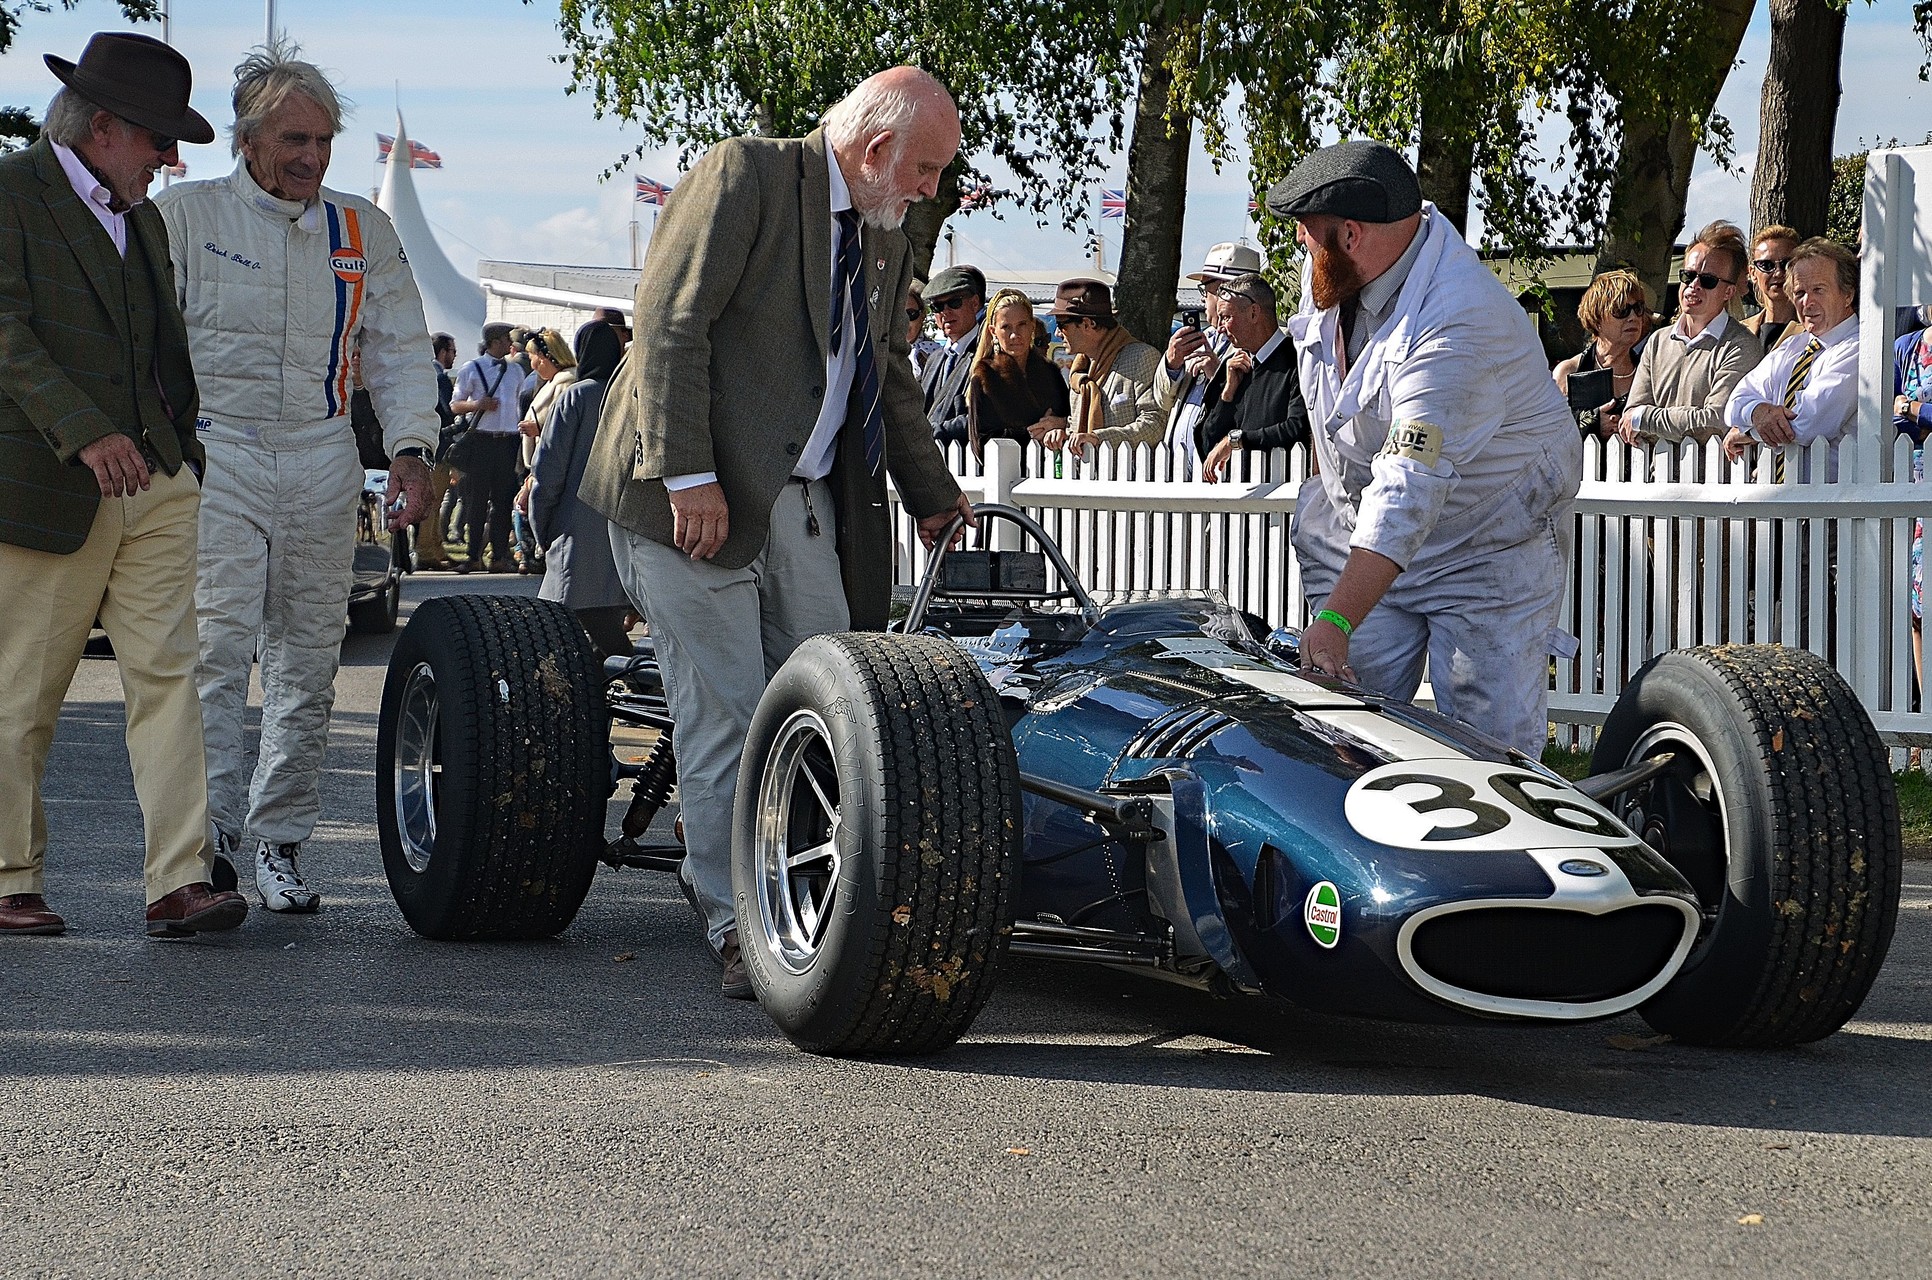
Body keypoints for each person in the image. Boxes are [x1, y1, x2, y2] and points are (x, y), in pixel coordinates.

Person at [577, 66, 974, 999]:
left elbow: (886, 369)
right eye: (925, 169)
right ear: (876, 148)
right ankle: (739, 926)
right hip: (689, 500)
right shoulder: (742, 175)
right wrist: (689, 476)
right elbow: (669, 323)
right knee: (728, 715)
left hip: (800, 504)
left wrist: (932, 492)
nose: (931, 190)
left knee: (830, 712)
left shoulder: (881, 229)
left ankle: (803, 908)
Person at [155, 41, 438, 913]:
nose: (311, 158)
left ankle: (279, 840)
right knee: (214, 653)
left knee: (309, 663)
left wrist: (412, 448)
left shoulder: (362, 228)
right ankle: (205, 845)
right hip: (217, 452)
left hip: (322, 456)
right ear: (246, 141)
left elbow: (400, 348)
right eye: (293, 140)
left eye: (322, 141)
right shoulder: (185, 215)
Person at [0, 32, 248, 938]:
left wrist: (180, 454)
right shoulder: (10, 191)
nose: (169, 159)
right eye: (157, 138)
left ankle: (180, 880)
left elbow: (160, 349)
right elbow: (6, 333)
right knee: (23, 691)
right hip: (47, 485)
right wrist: (85, 432)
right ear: (102, 126)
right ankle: (9, 877)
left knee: (170, 678)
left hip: (158, 483)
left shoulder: (143, 219)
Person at [1269, 139, 1581, 757]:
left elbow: (1408, 486)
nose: (1301, 242)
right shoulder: (1335, 272)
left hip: (1484, 547)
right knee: (1346, 731)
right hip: (1368, 536)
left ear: (1351, 235)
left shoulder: (1457, 321)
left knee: (1487, 752)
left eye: (1307, 230)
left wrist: (1335, 619)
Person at [527, 322, 634, 660]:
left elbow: (549, 471)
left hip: (575, 529)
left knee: (559, 633)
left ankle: (640, 682)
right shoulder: (630, 396)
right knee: (601, 629)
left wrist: (540, 527)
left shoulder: (575, 397)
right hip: (622, 530)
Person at [1723, 237, 1861, 481]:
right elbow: (1734, 403)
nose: (1807, 302)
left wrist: (1748, 433)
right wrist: (1758, 412)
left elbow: (1809, 423)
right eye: (1799, 293)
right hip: (1778, 498)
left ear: (1848, 294)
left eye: (1818, 290)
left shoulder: (1859, 348)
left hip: (1833, 499)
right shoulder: (1792, 346)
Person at [1617, 223, 1763, 447]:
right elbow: (1631, 421)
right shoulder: (1657, 342)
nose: (1694, 285)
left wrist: (1645, 419)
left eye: (1708, 280)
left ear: (1729, 291)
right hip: (1655, 468)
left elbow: (1716, 423)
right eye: (1688, 275)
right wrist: (1643, 420)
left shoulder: (1742, 346)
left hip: (1714, 469)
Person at [1156, 241, 1259, 478]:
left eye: (1206, 289)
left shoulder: (1256, 345)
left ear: (1226, 291)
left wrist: (1216, 374)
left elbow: (1255, 408)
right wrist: (1172, 365)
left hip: (1223, 473)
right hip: (1178, 472)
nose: (1203, 299)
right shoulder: (1203, 338)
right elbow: (1162, 401)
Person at [1197, 272, 1308, 479]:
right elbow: (1207, 444)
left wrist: (1237, 440)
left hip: (1282, 493)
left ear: (1254, 313)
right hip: (1235, 495)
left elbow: (1298, 428)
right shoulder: (1232, 368)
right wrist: (1227, 396)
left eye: (1226, 317)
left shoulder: (1298, 361)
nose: (1220, 329)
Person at [1049, 278, 1164, 452]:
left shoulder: (1141, 357)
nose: (1057, 333)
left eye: (1061, 325)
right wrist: (1063, 436)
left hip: (1128, 469)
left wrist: (1100, 439)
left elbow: (1154, 425)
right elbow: (1077, 432)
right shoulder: (1079, 374)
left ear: (1088, 324)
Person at [450, 322, 523, 572]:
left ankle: (499, 556)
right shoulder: (472, 368)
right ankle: (472, 556)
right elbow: (455, 405)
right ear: (494, 342)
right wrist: (477, 405)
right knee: (476, 501)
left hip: (508, 440)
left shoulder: (515, 370)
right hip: (481, 440)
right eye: (506, 339)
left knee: (503, 501)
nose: (509, 344)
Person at [966, 287, 1070, 457]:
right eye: (1006, 327)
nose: (1015, 335)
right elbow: (980, 441)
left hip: (1052, 467)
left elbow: (1070, 418)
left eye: (1022, 324)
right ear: (993, 331)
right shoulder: (985, 377)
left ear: (1032, 326)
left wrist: (1061, 424)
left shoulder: (1051, 373)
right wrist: (1031, 433)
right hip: (1005, 469)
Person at [1551, 270, 1651, 438]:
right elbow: (1549, 429)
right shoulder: (1569, 371)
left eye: (1638, 308)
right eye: (1621, 310)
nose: (1633, 317)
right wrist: (1592, 422)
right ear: (1597, 319)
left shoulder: (1649, 371)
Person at [513, 327, 576, 573]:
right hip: (539, 461)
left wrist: (537, 428)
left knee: (533, 506)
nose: (531, 362)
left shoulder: (567, 382)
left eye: (532, 356)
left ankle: (537, 554)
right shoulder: (552, 382)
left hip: (552, 462)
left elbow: (565, 424)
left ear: (544, 357)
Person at [919, 264, 985, 444]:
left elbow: (982, 418)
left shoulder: (987, 354)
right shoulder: (934, 359)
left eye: (954, 303)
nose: (945, 312)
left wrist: (929, 432)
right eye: (937, 306)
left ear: (974, 303)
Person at [415, 332, 460, 570]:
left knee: (433, 500)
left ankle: (436, 547)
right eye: (452, 351)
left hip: (426, 446)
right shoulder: (439, 377)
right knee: (433, 501)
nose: (455, 356)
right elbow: (447, 411)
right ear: (443, 352)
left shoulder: (423, 372)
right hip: (439, 447)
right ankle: (426, 550)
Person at [1742, 225, 1802, 354]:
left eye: (1786, 264)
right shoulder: (1738, 331)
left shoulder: (1813, 330)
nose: (1778, 273)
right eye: (1766, 265)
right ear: (1752, 273)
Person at [906, 280, 944, 379]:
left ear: (923, 315)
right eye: (897, 314)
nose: (904, 321)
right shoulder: (881, 353)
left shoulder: (940, 355)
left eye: (911, 314)